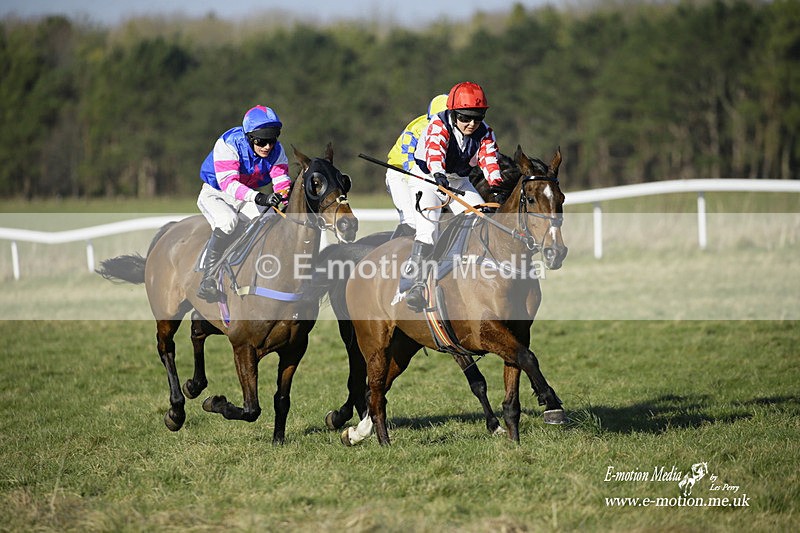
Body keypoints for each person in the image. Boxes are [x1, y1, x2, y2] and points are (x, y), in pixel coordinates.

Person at [404, 81, 503, 312]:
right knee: (429, 230)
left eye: (477, 118)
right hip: (426, 178)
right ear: (453, 113)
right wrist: (438, 174)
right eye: (465, 117)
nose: (471, 124)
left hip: (458, 181)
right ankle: (416, 286)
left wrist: (496, 182)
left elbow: (489, 159)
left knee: (483, 219)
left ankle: (478, 275)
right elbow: (435, 151)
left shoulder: (485, 131)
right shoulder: (438, 125)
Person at [196, 105, 291, 302]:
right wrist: (261, 198)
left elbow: (281, 180)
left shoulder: (277, 151)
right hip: (217, 193)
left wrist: (283, 198)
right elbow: (229, 184)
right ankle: (208, 279)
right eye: (262, 141)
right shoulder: (228, 144)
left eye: (271, 140)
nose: (267, 147)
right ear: (249, 137)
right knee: (228, 221)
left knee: (271, 219)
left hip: (246, 196)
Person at [385, 94, 449, 238]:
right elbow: (409, 161)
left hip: (429, 175)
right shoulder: (419, 129)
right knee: (413, 221)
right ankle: (393, 253)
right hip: (401, 173)